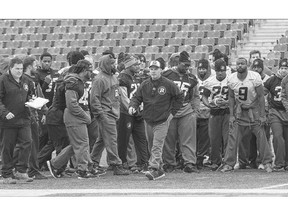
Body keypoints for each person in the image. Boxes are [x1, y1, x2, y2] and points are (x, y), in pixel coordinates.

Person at [47, 60, 104, 179]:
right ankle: (82, 170)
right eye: (89, 71)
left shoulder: (79, 81)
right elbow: (71, 104)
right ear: (84, 70)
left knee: (78, 144)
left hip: (78, 116)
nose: (91, 74)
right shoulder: (73, 82)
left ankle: (56, 164)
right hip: (74, 116)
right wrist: (85, 116)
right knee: (82, 144)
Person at [129, 60, 184, 180]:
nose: (153, 71)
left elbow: (180, 96)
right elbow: (136, 97)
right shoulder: (145, 84)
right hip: (148, 119)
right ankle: (159, 168)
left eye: (156, 68)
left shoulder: (168, 84)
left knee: (157, 145)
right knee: (151, 145)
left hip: (162, 119)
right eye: (151, 69)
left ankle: (153, 168)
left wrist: (172, 113)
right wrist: (132, 106)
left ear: (161, 70)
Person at [219, 57, 273, 173]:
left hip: (254, 109)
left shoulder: (254, 77)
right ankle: (229, 163)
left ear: (247, 65)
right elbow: (231, 97)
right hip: (240, 110)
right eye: (238, 64)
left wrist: (262, 115)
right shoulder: (232, 78)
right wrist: (232, 115)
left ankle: (267, 162)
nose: (240, 66)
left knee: (261, 136)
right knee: (233, 136)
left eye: (242, 64)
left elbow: (260, 97)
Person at [90, 54, 130, 175]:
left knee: (102, 140)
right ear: (105, 65)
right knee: (112, 139)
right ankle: (116, 164)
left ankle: (92, 162)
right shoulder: (99, 79)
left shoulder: (113, 77)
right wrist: (100, 114)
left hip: (113, 112)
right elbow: (94, 99)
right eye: (111, 63)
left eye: (114, 63)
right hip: (106, 113)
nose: (114, 65)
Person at [162, 51, 199, 173]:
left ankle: (189, 163)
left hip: (186, 110)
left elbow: (195, 95)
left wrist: (195, 110)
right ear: (178, 63)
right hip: (170, 110)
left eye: (189, 65)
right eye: (184, 65)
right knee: (168, 139)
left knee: (188, 139)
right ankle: (169, 163)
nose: (187, 68)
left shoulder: (192, 78)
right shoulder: (166, 75)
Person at [0, 57, 34, 184]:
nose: (20, 71)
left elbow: (30, 94)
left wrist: (31, 101)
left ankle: (21, 171)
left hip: (24, 118)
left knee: (27, 142)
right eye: (17, 69)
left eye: (21, 69)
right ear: (10, 68)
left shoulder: (26, 80)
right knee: (7, 147)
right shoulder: (3, 80)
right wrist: (5, 113)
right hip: (8, 121)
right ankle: (6, 174)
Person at [117, 55, 149, 172]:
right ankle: (122, 162)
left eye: (138, 64)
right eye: (135, 65)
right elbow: (123, 97)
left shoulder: (135, 77)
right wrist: (132, 109)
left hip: (137, 112)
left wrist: (140, 110)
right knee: (124, 139)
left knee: (141, 138)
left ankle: (144, 162)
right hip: (126, 113)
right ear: (129, 66)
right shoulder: (123, 78)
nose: (138, 66)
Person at [239, 58, 271, 169]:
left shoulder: (268, 79)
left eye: (259, 67)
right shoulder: (250, 78)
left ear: (263, 67)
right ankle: (252, 161)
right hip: (250, 109)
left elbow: (264, 96)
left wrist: (264, 113)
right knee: (249, 138)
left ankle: (264, 160)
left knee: (263, 136)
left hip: (262, 109)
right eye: (255, 67)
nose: (257, 69)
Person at [201, 59, 230, 171]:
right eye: (218, 71)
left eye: (222, 70)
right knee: (214, 139)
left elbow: (233, 97)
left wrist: (227, 103)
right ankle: (215, 161)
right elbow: (204, 96)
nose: (220, 73)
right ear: (215, 70)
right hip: (214, 112)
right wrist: (209, 105)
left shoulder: (230, 80)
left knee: (227, 138)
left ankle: (227, 161)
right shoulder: (210, 81)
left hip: (227, 111)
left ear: (225, 69)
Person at [264, 59, 288, 171]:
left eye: (286, 68)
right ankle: (279, 163)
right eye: (282, 68)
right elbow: (262, 92)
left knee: (286, 139)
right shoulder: (272, 80)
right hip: (275, 112)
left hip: (286, 112)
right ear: (278, 68)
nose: (284, 70)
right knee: (278, 137)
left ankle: (286, 162)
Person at [196, 59, 212, 168]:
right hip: (196, 113)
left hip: (207, 113)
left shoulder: (212, 80)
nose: (202, 71)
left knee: (204, 138)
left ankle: (201, 158)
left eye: (204, 68)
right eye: (200, 68)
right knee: (194, 137)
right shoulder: (194, 79)